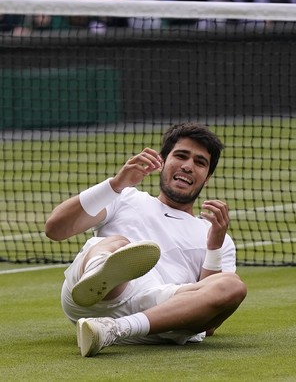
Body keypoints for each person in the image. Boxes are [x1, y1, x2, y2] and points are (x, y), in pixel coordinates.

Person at [45, 122, 247, 357]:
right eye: (181, 156)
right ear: (162, 161)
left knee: (233, 284)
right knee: (116, 243)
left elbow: (209, 325)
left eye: (200, 162)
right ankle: (98, 275)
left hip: (158, 311)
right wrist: (117, 183)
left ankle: (112, 329)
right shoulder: (125, 197)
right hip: (99, 297)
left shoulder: (217, 236)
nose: (188, 166)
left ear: (207, 177)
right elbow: (55, 229)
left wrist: (214, 248)